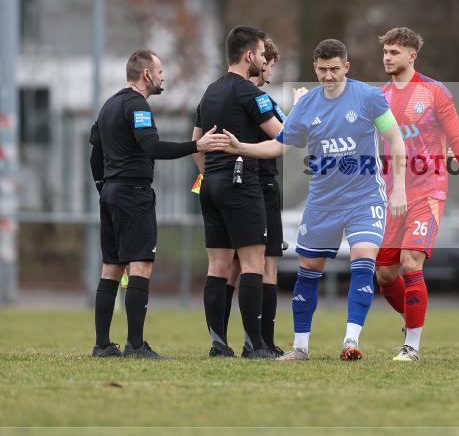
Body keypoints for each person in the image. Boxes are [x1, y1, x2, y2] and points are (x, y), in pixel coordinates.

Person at [224, 38, 407, 361]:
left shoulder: (368, 98)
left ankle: (351, 341)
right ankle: (300, 347)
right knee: (309, 269)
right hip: (323, 202)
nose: (329, 76)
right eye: (322, 70)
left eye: (335, 69)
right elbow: (279, 146)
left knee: (363, 262)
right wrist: (240, 147)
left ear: (346, 67)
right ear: (315, 69)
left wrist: (399, 188)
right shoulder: (306, 107)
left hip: (365, 199)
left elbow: (394, 137)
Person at [89, 50, 228, 359]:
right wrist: (197, 145)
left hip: (111, 193)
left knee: (111, 267)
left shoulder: (108, 105)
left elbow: (95, 154)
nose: (164, 76)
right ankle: (135, 346)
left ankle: (102, 344)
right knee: (140, 265)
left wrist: (103, 186)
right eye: (161, 70)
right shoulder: (136, 105)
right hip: (132, 194)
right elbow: (151, 147)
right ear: (147, 75)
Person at [374, 27, 459, 362]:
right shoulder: (379, 96)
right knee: (385, 276)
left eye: (394, 52)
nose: (387, 57)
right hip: (392, 193)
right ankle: (412, 318)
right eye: (385, 52)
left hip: (428, 191)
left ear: (412, 56)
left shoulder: (435, 92)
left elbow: (456, 137)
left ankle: (411, 345)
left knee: (411, 261)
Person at [194, 26, 283, 359]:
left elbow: (196, 143)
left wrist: (212, 173)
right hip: (241, 181)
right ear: (249, 57)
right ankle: (254, 345)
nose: (264, 59)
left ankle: (219, 344)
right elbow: (283, 136)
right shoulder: (250, 92)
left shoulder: (210, 91)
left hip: (211, 184)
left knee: (217, 266)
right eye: (262, 53)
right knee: (252, 264)